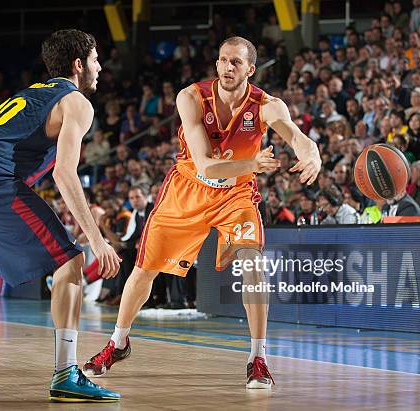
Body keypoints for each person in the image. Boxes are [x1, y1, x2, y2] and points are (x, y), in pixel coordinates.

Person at [83, 36, 321, 389]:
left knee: (253, 264)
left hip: (236, 196)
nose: (227, 67)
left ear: (250, 70)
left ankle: (258, 357)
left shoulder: (266, 105)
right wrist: (252, 162)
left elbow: (294, 134)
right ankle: (117, 343)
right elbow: (207, 167)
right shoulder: (190, 97)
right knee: (144, 270)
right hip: (187, 189)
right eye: (223, 60)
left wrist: (311, 150)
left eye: (236, 62)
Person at [0, 29, 121, 402]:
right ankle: (66, 374)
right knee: (70, 262)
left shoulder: (32, 92)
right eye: (95, 59)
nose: (99, 66)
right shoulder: (76, 102)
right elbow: (64, 173)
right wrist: (97, 239)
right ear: (78, 65)